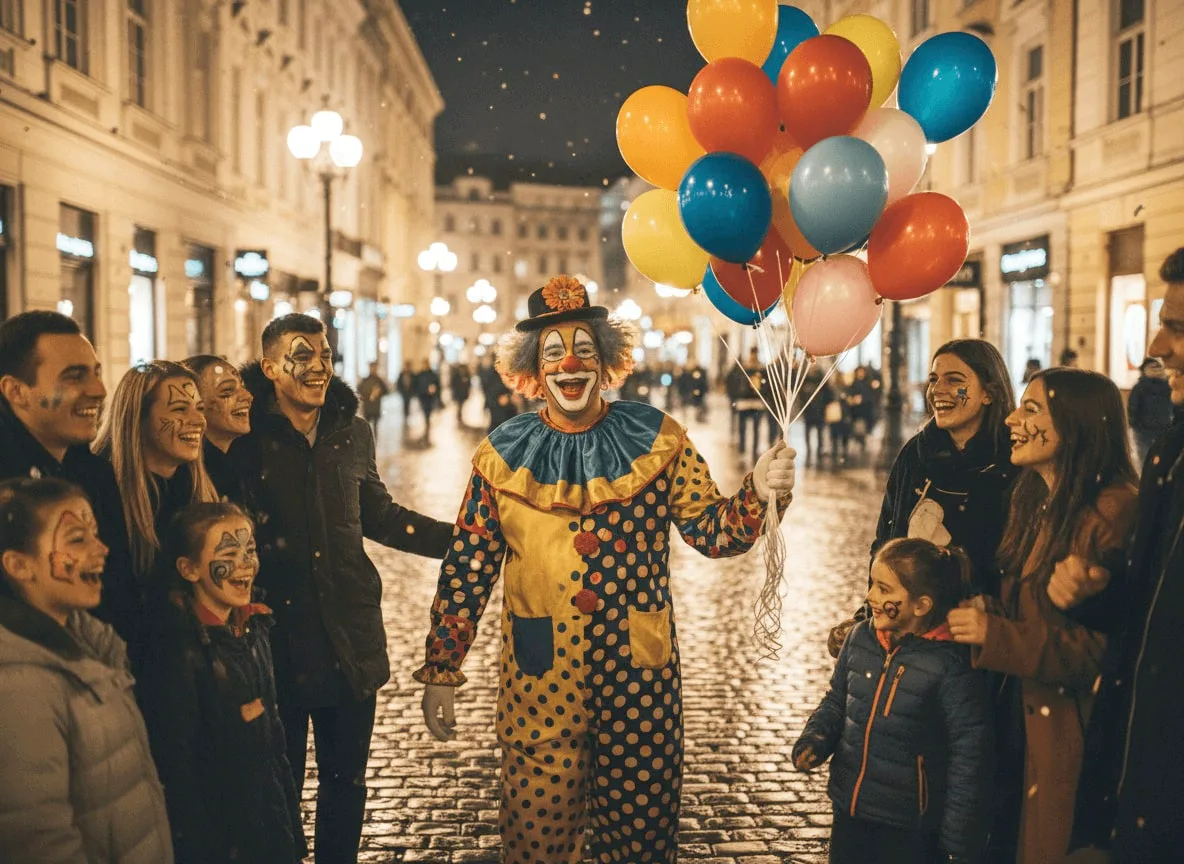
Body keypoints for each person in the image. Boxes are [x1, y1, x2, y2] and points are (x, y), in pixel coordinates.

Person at [414, 276, 797, 864]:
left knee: (640, 839)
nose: (570, 364)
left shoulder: (658, 438)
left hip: (639, 679)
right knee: (538, 839)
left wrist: (760, 492)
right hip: (540, 680)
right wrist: (442, 666)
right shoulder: (501, 454)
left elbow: (714, 532)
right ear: (533, 369)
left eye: (584, 350)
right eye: (553, 353)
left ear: (605, 361)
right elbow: (469, 567)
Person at [231, 313, 453, 863]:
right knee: (278, 785)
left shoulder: (351, 432)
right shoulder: (244, 436)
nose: (318, 366)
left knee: (346, 782)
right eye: (302, 355)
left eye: (325, 355)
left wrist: (463, 541)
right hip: (275, 641)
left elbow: (379, 515)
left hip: (348, 640)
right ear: (269, 367)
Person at [947, 368, 1138, 864]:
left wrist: (997, 635)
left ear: (1076, 425)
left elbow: (1105, 654)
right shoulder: (1037, 498)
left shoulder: (1113, 512)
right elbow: (1037, 611)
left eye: (1031, 409)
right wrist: (992, 613)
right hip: (1024, 723)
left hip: (1074, 735)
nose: (1012, 419)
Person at [1061, 247, 1184, 863]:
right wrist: (1099, 593)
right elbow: (1151, 611)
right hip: (1142, 789)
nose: (1159, 347)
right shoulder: (1170, 453)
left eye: (1179, 328)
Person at [0, 477, 173, 863]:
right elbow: (39, 842)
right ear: (19, 565)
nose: (101, 549)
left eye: (95, 534)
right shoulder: (16, 685)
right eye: (78, 539)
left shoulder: (92, 650)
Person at [794, 538, 992, 864]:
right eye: (872, 584)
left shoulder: (950, 665)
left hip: (908, 827)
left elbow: (969, 755)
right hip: (851, 808)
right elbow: (837, 700)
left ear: (921, 605)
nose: (870, 596)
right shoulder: (860, 638)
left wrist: (958, 838)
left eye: (884, 589)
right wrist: (816, 737)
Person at [139, 502, 304, 864]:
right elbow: (178, 766)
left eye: (250, 551)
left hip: (266, 830)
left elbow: (273, 742)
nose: (245, 564)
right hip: (222, 840)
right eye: (228, 555)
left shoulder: (255, 629)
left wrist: (289, 829)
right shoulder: (181, 652)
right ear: (189, 568)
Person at [829, 341, 1017, 657]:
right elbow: (887, 542)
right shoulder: (915, 455)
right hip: (908, 638)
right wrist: (871, 613)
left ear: (989, 392)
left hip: (978, 644)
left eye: (954, 380)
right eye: (933, 379)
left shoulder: (1012, 462)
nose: (937, 390)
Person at [0, 311, 134, 645]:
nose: (99, 390)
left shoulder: (94, 472)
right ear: (16, 391)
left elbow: (120, 588)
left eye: (96, 373)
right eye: (74, 377)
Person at [95, 361, 220, 666]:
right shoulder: (103, 495)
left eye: (199, 408)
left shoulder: (200, 490)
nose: (198, 421)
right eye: (179, 409)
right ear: (137, 418)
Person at [182, 354, 254, 500]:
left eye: (243, 386)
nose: (248, 396)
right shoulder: (186, 481)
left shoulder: (243, 463)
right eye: (227, 391)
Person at [1126, 356, 1173, 466]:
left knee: (1146, 458)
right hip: (1157, 428)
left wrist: (1134, 424)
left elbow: (1133, 407)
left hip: (1149, 429)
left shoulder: (1140, 387)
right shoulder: (1167, 386)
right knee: (1158, 459)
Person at [736, 348, 769, 463]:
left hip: (756, 402)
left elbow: (765, 385)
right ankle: (742, 450)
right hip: (745, 402)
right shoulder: (744, 368)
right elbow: (738, 383)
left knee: (756, 429)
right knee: (742, 428)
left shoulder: (760, 369)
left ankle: (754, 451)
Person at [356, 362, 390, 439]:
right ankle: (368, 440)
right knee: (367, 426)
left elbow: (386, 391)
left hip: (376, 407)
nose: (373, 369)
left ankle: (375, 440)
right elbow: (359, 391)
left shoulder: (379, 380)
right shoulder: (365, 380)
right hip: (367, 407)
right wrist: (366, 396)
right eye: (371, 367)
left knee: (375, 426)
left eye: (374, 367)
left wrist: (379, 392)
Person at [413, 360, 441, 443]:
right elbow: (416, 384)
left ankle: (427, 421)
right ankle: (427, 421)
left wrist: (435, 392)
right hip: (422, 396)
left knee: (428, 409)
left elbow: (437, 385)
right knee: (425, 409)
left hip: (430, 396)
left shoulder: (432, 374)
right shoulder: (420, 374)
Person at [449, 361, 472, 426]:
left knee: (461, 406)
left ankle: (459, 417)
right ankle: (459, 417)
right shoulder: (456, 375)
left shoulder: (467, 374)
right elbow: (453, 384)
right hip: (458, 393)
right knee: (459, 406)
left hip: (463, 393)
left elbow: (469, 384)